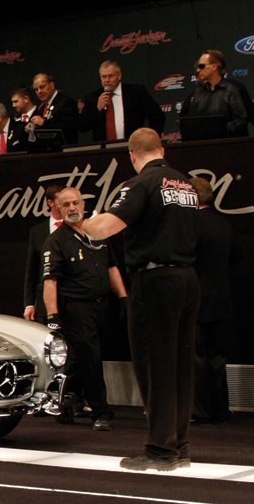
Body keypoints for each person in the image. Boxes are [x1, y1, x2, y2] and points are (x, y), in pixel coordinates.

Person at [81, 128, 200, 471]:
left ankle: (161, 450)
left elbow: (106, 227)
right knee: (180, 366)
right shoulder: (186, 186)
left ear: (132, 155)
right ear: (163, 150)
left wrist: (82, 224)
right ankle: (179, 445)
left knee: (155, 364)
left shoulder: (140, 184)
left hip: (155, 280)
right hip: (187, 278)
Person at [41, 187, 127, 431]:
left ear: (84, 205)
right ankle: (100, 411)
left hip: (103, 306)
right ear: (59, 208)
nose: (72, 208)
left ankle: (61, 400)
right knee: (91, 357)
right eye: (66, 204)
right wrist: (53, 316)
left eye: (75, 203)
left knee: (80, 359)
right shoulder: (56, 241)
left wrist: (123, 297)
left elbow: (111, 267)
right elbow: (50, 281)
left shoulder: (98, 233)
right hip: (76, 308)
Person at [190, 177, 234, 424]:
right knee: (217, 357)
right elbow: (236, 255)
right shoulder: (224, 223)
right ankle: (220, 408)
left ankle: (200, 410)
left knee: (196, 356)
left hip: (197, 298)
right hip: (222, 298)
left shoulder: (191, 224)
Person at [78, 60, 164, 142]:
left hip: (133, 146)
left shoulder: (136, 92)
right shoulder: (92, 97)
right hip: (104, 149)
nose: (107, 80)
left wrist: (149, 139)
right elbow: (83, 127)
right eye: (103, 77)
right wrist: (97, 108)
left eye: (111, 76)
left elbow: (157, 116)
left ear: (119, 76)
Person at [180, 49, 251, 138]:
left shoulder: (231, 90)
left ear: (214, 67)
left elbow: (241, 120)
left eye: (201, 66)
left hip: (227, 142)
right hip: (204, 143)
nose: (198, 70)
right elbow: (191, 121)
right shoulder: (197, 93)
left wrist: (221, 130)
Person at [22, 185, 62, 322]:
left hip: (70, 299)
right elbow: (32, 269)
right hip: (44, 301)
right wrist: (29, 303)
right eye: (60, 199)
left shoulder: (74, 227)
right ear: (50, 202)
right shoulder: (37, 231)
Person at [28, 73, 79, 145]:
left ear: (52, 85)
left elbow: (69, 128)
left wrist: (44, 123)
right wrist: (33, 128)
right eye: (36, 89)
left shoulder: (65, 101)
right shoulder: (41, 107)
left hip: (64, 149)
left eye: (42, 87)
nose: (39, 91)